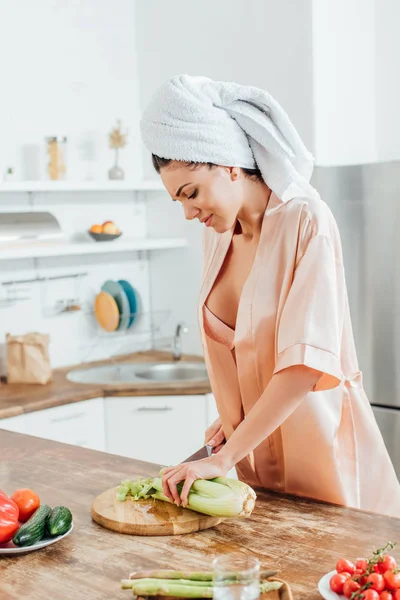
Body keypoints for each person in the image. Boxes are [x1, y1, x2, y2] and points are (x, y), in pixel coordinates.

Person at [140, 74, 400, 517]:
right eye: (178, 201)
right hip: (255, 466)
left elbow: (304, 365)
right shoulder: (218, 237)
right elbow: (250, 357)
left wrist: (223, 458)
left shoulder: (306, 221)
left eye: (192, 193)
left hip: (325, 462)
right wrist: (230, 429)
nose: (188, 212)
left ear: (227, 165)